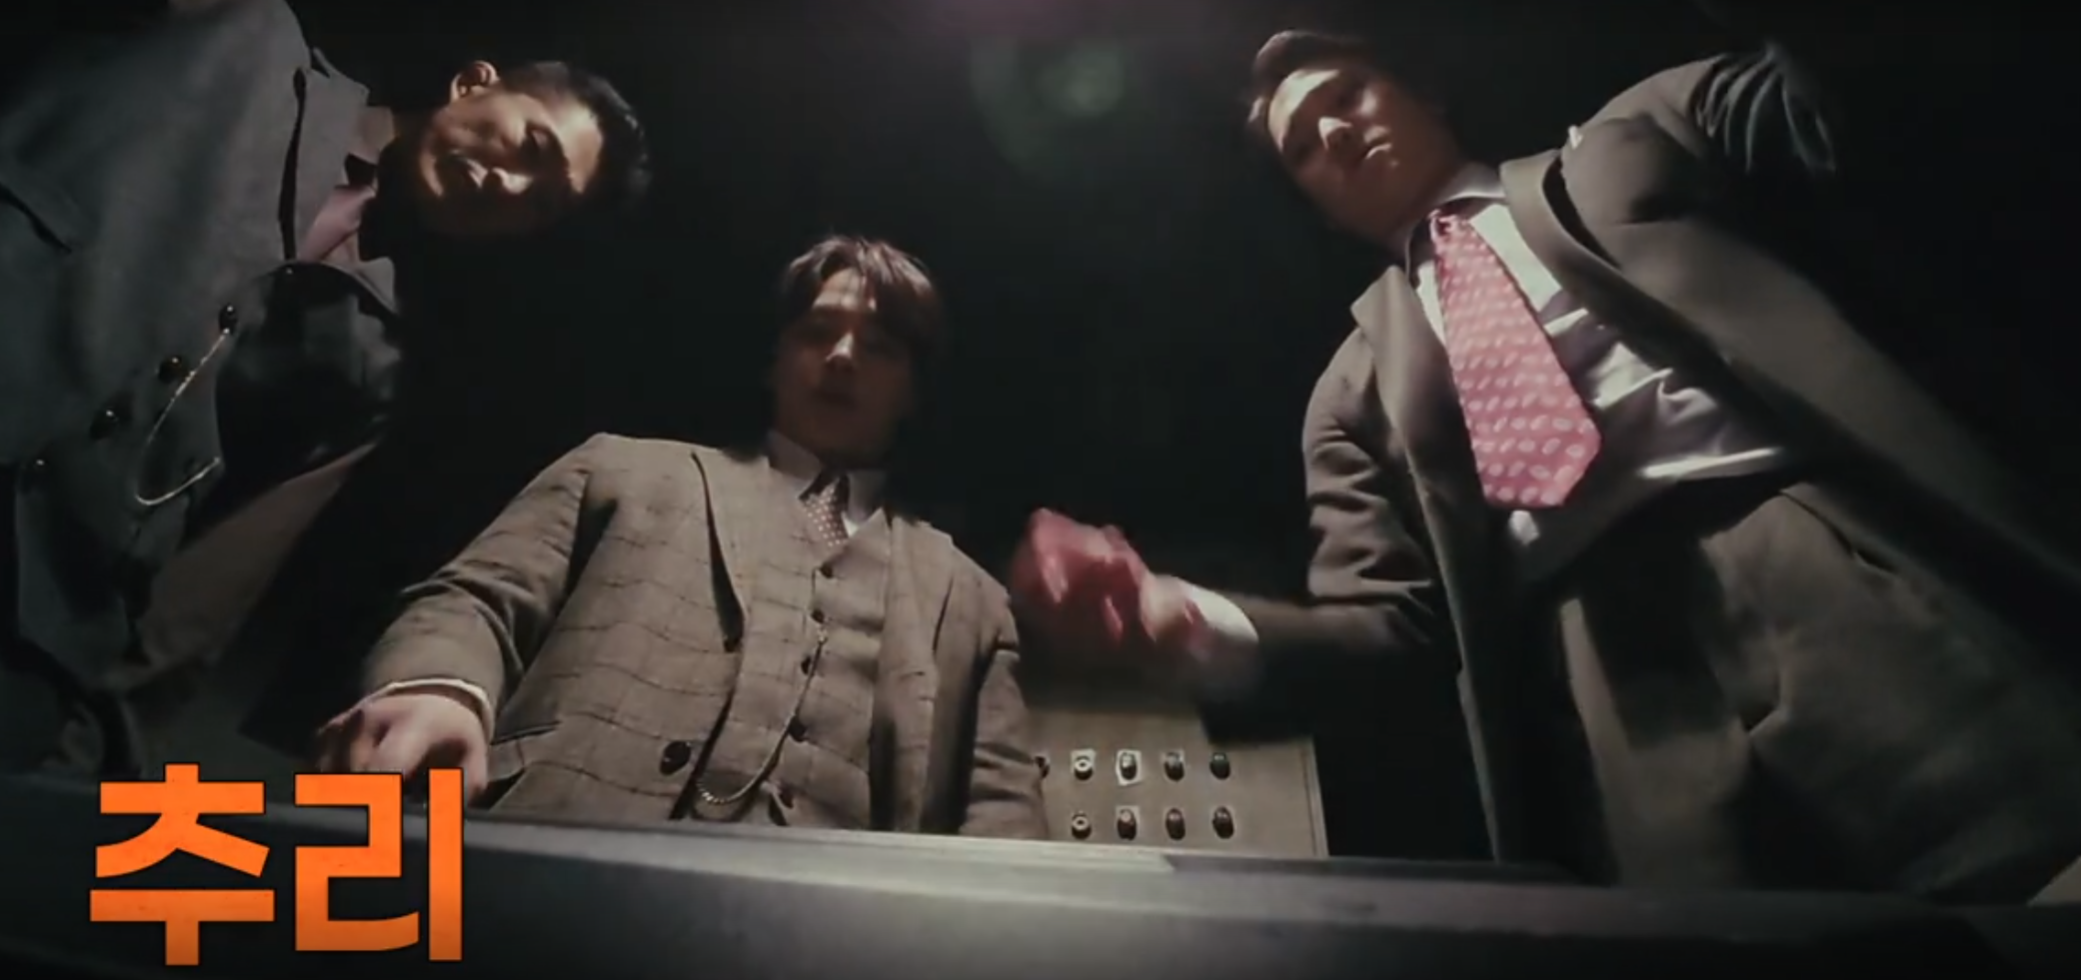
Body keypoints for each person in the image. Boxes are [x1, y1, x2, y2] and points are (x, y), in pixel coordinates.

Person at [1009, 27, 2081, 902]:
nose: (1332, 129)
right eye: (1301, 145)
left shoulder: (1633, 135)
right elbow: (1390, 631)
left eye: (1346, 92)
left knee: (2029, 853)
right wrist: (1179, 620)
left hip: (1808, 549)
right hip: (1602, 672)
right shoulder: (1349, 392)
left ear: (1422, 92)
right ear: (1314, 202)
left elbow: (1831, 109)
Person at [0, 0, 652, 774]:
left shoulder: (370, 356)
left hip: (31, 640)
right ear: (474, 84)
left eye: (540, 202)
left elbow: (203, 595)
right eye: (529, 146)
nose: (508, 184)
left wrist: (89, 769)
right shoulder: (241, 37)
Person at [315, 235, 1047, 838]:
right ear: (775, 361)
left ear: (912, 389)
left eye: (880, 346)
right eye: (816, 331)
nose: (842, 357)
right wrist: (441, 688)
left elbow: (1002, 810)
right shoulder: (618, 468)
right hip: (543, 873)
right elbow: (478, 599)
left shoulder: (972, 601)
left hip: (842, 937)